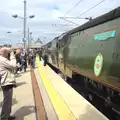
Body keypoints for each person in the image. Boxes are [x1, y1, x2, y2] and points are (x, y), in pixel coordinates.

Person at [0, 47, 16, 120]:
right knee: (7, 102)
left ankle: (7, 115)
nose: (8, 53)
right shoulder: (2, 59)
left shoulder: (3, 59)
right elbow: (13, 65)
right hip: (6, 83)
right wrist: (12, 55)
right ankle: (3, 117)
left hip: (8, 82)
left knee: (9, 101)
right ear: (4, 53)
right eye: (8, 52)